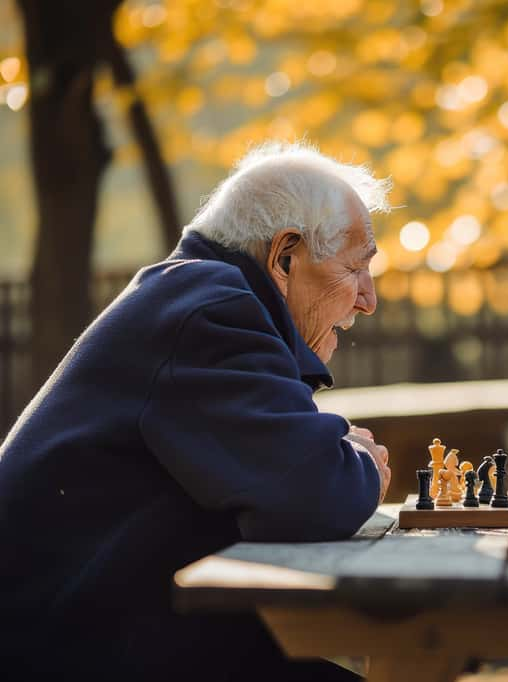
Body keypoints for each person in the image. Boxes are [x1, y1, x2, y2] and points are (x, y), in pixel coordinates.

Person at [0, 142, 392, 681]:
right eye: (355, 268)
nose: (368, 299)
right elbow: (312, 493)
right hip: (71, 655)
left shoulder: (196, 295)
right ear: (285, 257)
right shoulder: (212, 308)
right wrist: (364, 462)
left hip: (100, 639)